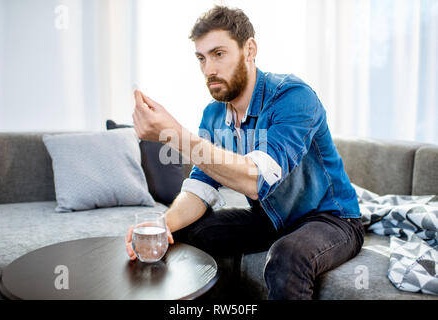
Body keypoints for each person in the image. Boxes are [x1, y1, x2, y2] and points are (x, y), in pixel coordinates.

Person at [125, 6, 364, 300]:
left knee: (287, 255)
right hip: (271, 220)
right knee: (190, 234)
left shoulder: (293, 97)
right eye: (201, 58)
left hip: (330, 219)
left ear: (249, 49)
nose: (208, 69)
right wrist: (162, 225)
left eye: (219, 54)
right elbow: (200, 188)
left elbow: (256, 180)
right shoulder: (213, 115)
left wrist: (172, 135)